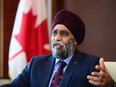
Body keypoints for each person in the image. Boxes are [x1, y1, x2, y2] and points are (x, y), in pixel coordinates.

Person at [1, 9, 115, 87]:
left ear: (75, 40)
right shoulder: (36, 64)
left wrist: (110, 85)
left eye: (64, 34)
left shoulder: (90, 64)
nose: (57, 38)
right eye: (54, 33)